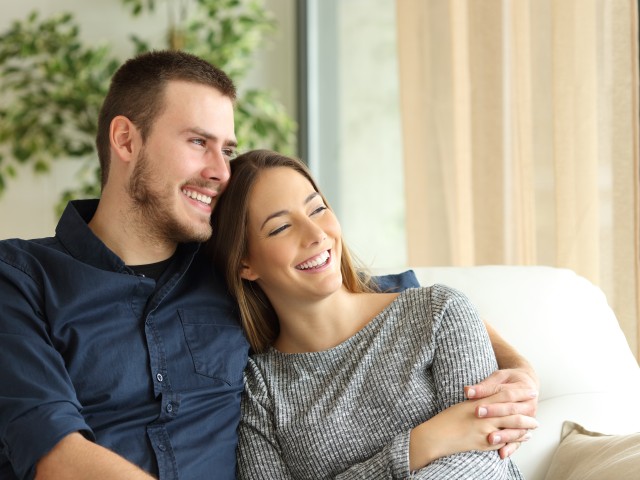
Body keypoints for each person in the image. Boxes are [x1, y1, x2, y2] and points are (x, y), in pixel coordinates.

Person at [0, 50, 536, 480]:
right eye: (197, 143)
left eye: (226, 149)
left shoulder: (229, 265)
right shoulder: (21, 277)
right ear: (125, 139)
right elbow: (53, 452)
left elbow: (376, 297)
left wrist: (520, 370)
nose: (219, 171)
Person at [208, 149, 537, 479]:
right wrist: (419, 446)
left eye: (318, 209)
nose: (316, 235)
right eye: (280, 228)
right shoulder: (259, 391)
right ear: (244, 263)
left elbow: (483, 463)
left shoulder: (439, 313)